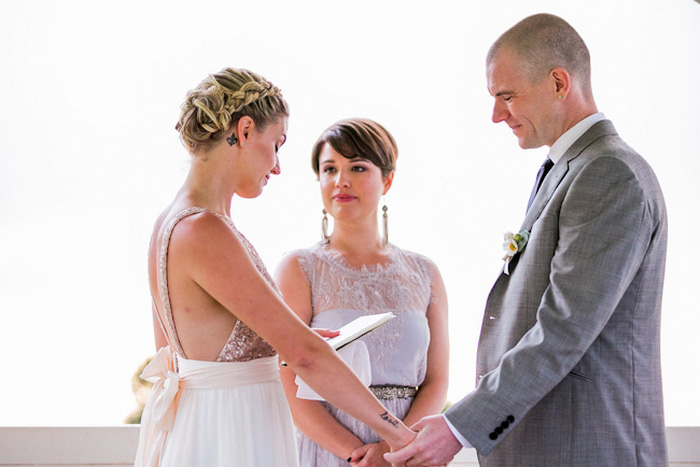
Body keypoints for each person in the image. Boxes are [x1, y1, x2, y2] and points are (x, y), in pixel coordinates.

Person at [386, 13, 668, 467]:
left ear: (559, 82)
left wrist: (460, 426)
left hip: (588, 447)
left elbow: (564, 327)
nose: (497, 115)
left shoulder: (609, 174)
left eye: (507, 96)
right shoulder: (567, 169)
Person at [133, 68, 414, 467]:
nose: (278, 165)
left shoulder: (170, 222)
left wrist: (279, 337)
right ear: (245, 131)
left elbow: (179, 348)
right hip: (233, 434)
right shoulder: (203, 229)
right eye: (276, 144)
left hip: (207, 425)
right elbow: (304, 355)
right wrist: (400, 436)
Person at [275, 118, 450, 466]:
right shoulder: (299, 268)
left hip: (406, 452)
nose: (341, 180)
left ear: (387, 179)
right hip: (329, 446)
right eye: (329, 169)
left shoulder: (425, 272)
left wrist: (392, 451)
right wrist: (356, 455)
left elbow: (437, 381)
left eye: (357, 167)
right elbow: (286, 377)